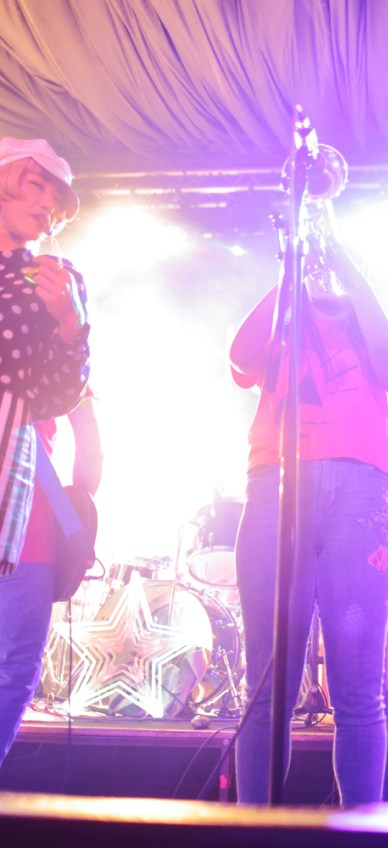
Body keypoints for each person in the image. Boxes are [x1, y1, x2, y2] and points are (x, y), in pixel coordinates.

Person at [229, 226, 388, 806]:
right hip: (276, 488)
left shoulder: (378, 325)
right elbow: (239, 358)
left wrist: (353, 272)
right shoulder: (283, 322)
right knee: (267, 691)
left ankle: (362, 831)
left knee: (358, 692)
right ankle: (251, 832)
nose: (323, 268)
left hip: (359, 496)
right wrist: (289, 271)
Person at [0, 136, 91, 766]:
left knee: (14, 657)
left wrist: (70, 323)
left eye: (57, 203)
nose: (48, 208)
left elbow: (64, 395)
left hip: (25, 481)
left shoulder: (60, 279)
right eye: (38, 187)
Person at [0, 393, 102, 766]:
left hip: (26, 531)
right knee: (14, 668)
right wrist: (78, 508)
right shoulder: (57, 361)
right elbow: (90, 450)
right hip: (26, 530)